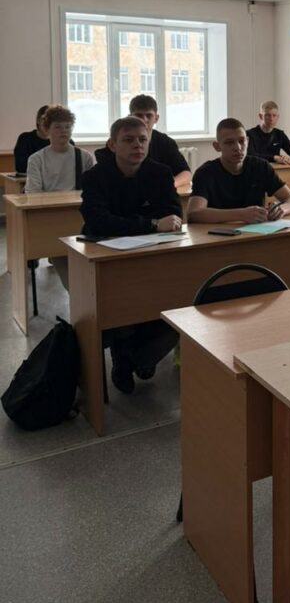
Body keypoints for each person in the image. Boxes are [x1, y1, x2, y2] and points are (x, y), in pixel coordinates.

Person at [81, 115, 183, 394]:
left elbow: (174, 216)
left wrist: (142, 224)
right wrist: (151, 224)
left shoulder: (161, 173)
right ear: (112, 145)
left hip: (153, 254)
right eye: (128, 140)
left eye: (142, 139)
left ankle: (135, 357)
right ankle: (124, 355)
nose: (137, 145)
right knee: (121, 308)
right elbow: (97, 221)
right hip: (107, 256)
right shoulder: (94, 176)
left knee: (177, 303)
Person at [25, 105, 95, 290]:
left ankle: (85, 292)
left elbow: (94, 190)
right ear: (47, 130)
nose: (64, 131)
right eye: (58, 127)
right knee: (60, 254)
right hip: (50, 216)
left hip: (79, 214)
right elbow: (33, 193)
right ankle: (78, 293)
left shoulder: (84, 157)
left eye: (67, 126)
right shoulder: (36, 159)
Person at [188, 118, 290, 224]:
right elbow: (194, 213)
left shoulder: (260, 166)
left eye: (242, 141)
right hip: (218, 233)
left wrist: (281, 209)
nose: (238, 147)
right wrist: (241, 214)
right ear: (217, 146)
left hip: (256, 232)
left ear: (247, 141)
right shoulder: (205, 173)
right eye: (229, 142)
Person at [95, 94, 191, 190]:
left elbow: (185, 173)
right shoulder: (118, 141)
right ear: (130, 117)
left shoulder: (165, 142)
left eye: (149, 116)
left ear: (156, 118)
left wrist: (165, 185)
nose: (144, 120)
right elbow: (105, 175)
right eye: (139, 115)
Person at [246, 101, 290, 165]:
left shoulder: (280, 134)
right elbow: (250, 155)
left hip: (275, 170)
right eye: (268, 115)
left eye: (274, 115)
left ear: (278, 117)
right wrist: (274, 158)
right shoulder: (249, 134)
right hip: (256, 168)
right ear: (261, 116)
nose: (271, 119)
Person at [13, 104, 50, 172]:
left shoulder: (65, 142)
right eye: (44, 119)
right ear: (38, 120)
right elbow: (21, 167)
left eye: (52, 120)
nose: (47, 123)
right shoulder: (25, 139)